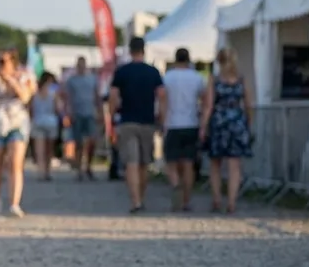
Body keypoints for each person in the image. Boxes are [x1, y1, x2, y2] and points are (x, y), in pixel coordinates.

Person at [109, 37, 166, 213]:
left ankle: (135, 201)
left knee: (131, 163)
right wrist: (161, 118)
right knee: (144, 163)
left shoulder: (122, 72)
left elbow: (113, 96)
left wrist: (111, 117)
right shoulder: (153, 72)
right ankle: (141, 196)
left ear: (129, 50)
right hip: (148, 121)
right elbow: (162, 96)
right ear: (144, 50)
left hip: (127, 120)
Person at [0, 48, 35, 216]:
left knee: (15, 163)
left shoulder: (25, 75)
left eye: (3, 61)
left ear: (12, 61)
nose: (0, 65)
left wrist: (10, 80)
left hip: (17, 122)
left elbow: (25, 97)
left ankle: (14, 203)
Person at [202, 47, 253, 213]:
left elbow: (209, 105)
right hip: (237, 122)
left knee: (215, 164)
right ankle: (232, 202)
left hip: (219, 122)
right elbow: (248, 104)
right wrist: (248, 123)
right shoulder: (240, 80)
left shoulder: (215, 80)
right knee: (234, 165)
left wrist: (203, 126)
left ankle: (217, 199)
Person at [162, 48, 207, 211]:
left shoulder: (167, 77)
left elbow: (163, 100)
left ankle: (175, 184)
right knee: (189, 164)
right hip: (191, 123)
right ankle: (186, 200)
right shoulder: (197, 78)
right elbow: (205, 99)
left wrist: (162, 121)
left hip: (172, 123)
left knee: (171, 162)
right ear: (189, 60)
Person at [62, 57, 101, 180]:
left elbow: (97, 95)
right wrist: (68, 112)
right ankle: (79, 168)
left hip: (90, 113)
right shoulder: (72, 80)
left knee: (92, 141)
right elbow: (67, 97)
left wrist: (100, 111)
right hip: (77, 113)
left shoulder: (92, 79)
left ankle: (88, 165)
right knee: (78, 142)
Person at [30, 71, 61, 181]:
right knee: (49, 149)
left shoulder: (35, 93)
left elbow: (31, 109)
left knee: (40, 150)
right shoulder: (54, 92)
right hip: (51, 121)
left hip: (38, 121)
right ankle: (47, 171)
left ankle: (41, 171)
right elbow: (58, 108)